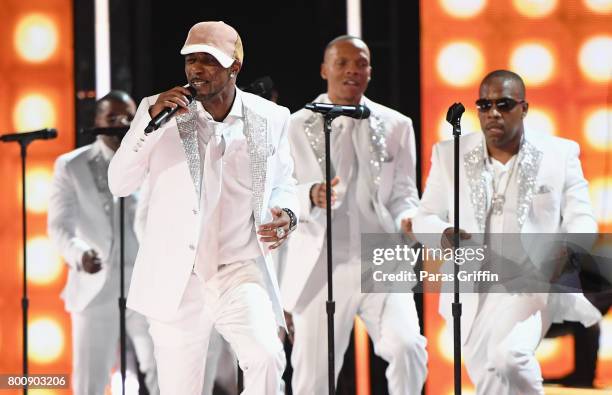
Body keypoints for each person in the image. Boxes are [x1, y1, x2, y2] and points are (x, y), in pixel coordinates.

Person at [107, 21, 298, 394]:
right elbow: (120, 183)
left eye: (208, 60)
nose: (196, 69)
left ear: (235, 67)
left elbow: (283, 184)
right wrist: (149, 126)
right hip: (178, 277)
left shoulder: (272, 117)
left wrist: (286, 213)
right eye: (190, 60)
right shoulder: (156, 112)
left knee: (266, 356)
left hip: (237, 269)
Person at [413, 70, 602, 394]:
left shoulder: (559, 153)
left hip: (533, 281)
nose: (493, 113)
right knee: (490, 381)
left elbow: (582, 215)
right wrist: (444, 233)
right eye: (484, 105)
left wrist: (569, 248)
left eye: (504, 104)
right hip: (472, 288)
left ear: (524, 107)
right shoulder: (450, 154)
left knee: (510, 357)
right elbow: (424, 217)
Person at [280, 35, 427, 394]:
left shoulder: (396, 125)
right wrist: (309, 195)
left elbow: (404, 193)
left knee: (408, 346)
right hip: (320, 264)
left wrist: (409, 218)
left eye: (360, 63)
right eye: (342, 63)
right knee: (313, 378)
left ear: (370, 71)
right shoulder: (293, 125)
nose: (352, 70)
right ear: (324, 69)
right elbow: (276, 193)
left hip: (381, 259)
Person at [48, 90, 159, 395]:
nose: (121, 123)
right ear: (97, 121)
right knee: (90, 379)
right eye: (112, 118)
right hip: (95, 288)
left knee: (162, 369)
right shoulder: (72, 165)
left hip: (144, 284)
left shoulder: (153, 162)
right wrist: (79, 254)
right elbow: (59, 226)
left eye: (128, 117)